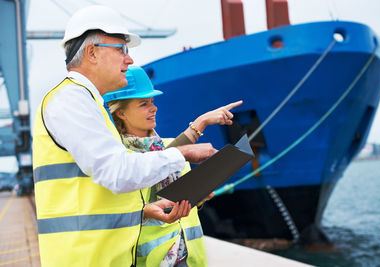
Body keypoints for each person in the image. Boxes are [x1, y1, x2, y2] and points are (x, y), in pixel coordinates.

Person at [32, 5, 217, 267]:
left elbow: (98, 196)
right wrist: (182, 153)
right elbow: (117, 173)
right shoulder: (69, 100)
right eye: (121, 50)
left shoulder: (88, 105)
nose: (129, 60)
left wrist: (141, 213)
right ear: (92, 52)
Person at [104, 66, 243, 266]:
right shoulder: (119, 158)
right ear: (121, 113)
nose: (154, 108)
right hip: (152, 260)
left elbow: (180, 192)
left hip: (190, 256)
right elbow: (119, 210)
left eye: (152, 102)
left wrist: (199, 198)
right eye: (144, 104)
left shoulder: (171, 149)